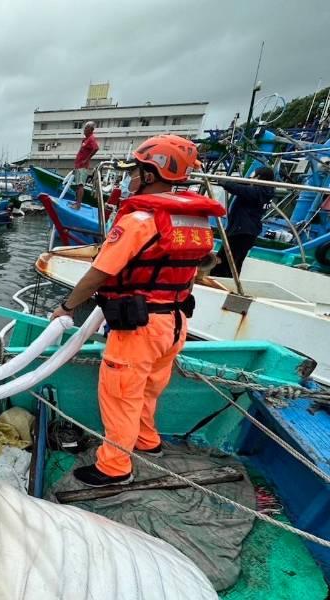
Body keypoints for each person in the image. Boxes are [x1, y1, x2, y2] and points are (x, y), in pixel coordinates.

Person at [51, 135, 225, 487]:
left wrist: (66, 307)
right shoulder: (194, 221)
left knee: (120, 396)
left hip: (138, 328)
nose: (130, 178)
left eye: (135, 171)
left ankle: (114, 468)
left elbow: (99, 273)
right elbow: (191, 272)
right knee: (148, 389)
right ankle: (148, 442)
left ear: (150, 173)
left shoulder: (140, 220)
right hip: (175, 323)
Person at [211, 166, 274, 277]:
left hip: (242, 231)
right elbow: (243, 187)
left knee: (226, 260)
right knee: (234, 261)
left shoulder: (259, 192)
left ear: (259, 177)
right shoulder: (265, 192)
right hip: (247, 231)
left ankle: (219, 281)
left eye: (253, 176)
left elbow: (239, 189)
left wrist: (223, 182)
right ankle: (227, 281)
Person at [72, 121, 99, 210]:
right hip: (78, 165)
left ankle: (78, 205)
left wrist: (87, 159)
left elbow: (96, 148)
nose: (84, 129)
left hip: (83, 166)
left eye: (86, 128)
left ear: (90, 129)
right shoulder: (85, 139)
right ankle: (76, 203)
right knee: (77, 185)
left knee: (80, 185)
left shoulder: (91, 138)